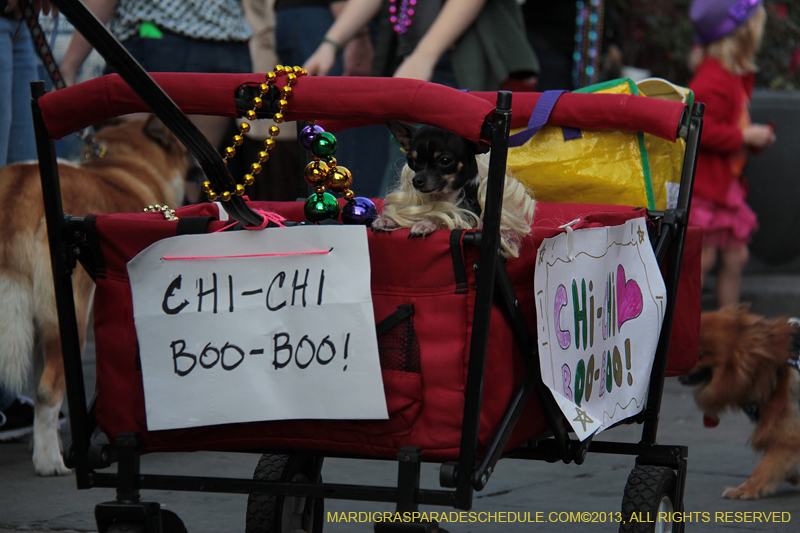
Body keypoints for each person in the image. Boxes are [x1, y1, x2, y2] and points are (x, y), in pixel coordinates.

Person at [61, 0, 253, 203]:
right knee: (189, 172)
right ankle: (184, 225)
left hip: (153, 35)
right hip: (223, 45)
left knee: (129, 173)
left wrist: (69, 66)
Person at [687, 0, 776, 308]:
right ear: (743, 35)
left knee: (736, 257)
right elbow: (699, 128)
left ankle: (730, 328)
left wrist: (750, 138)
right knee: (704, 258)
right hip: (706, 188)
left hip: (725, 186)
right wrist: (743, 136)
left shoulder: (731, 76)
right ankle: (688, 333)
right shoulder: (713, 80)